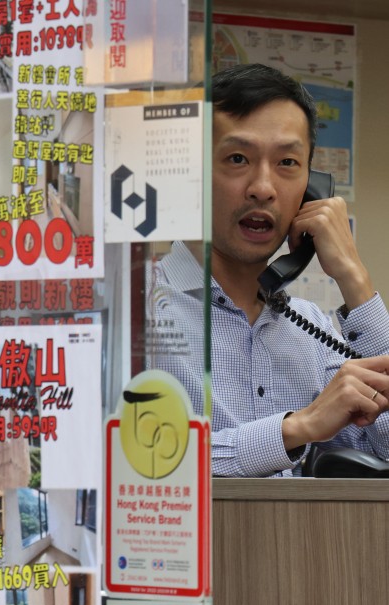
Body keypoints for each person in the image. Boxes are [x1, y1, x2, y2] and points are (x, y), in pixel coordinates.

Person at [152, 63, 389, 477]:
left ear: (312, 189)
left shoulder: (312, 330)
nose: (263, 187)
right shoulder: (134, 311)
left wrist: (354, 278)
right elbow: (136, 463)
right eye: (238, 158)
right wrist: (295, 429)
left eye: (287, 163)